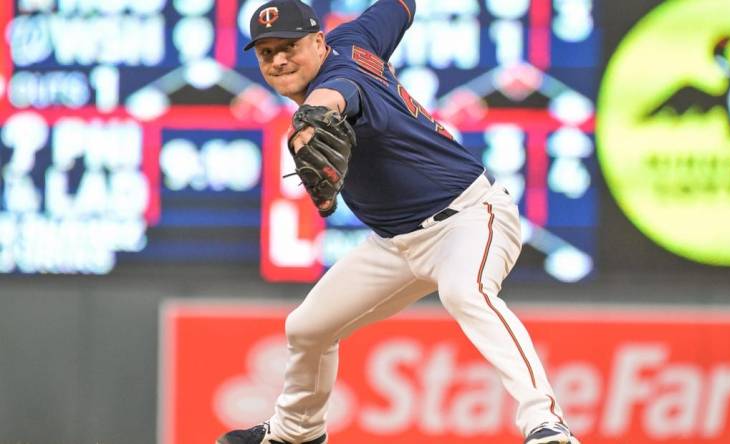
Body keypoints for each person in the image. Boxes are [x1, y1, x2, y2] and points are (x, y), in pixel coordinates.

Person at [218, 1, 579, 443]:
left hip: (468, 217)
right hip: (395, 244)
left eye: (288, 46)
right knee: (307, 328)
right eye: (266, 52)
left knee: (466, 292)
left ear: (317, 41)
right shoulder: (357, 37)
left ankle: (546, 424)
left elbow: (333, 98)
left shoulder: (338, 80)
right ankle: (297, 432)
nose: (278, 60)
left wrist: (313, 120)